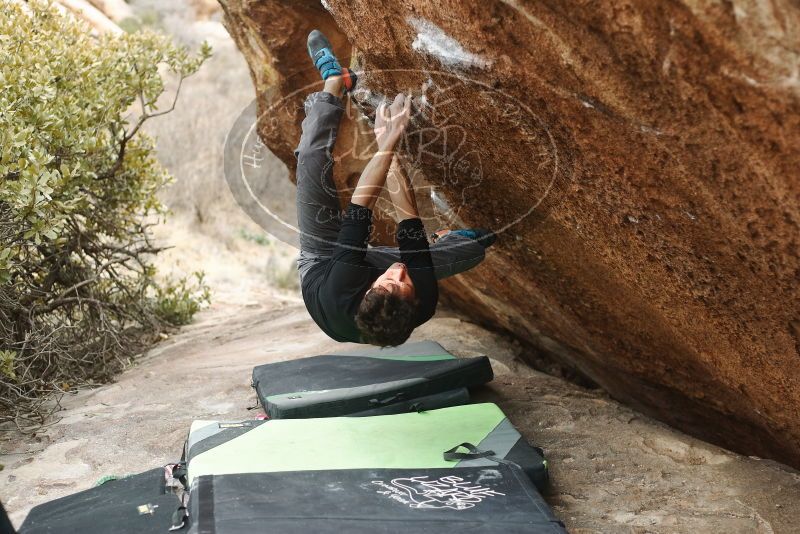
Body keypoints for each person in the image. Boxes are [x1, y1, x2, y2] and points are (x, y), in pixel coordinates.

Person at [296, 30, 496, 347]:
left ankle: (335, 81)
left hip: (321, 262)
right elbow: (408, 220)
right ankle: (448, 240)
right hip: (365, 276)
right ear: (414, 301)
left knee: (309, 158)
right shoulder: (423, 301)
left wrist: (386, 142)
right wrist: (390, 148)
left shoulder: (341, 286)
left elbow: (360, 210)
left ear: (371, 289)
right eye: (403, 283)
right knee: (476, 248)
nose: (399, 272)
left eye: (390, 281)